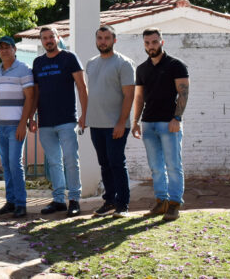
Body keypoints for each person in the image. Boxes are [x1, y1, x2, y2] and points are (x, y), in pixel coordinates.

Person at [132, 28, 189, 221]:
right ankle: (161, 201)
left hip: (169, 123)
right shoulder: (141, 69)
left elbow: (183, 94)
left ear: (162, 42)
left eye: (154, 42)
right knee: (156, 166)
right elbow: (139, 97)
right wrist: (135, 122)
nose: (151, 46)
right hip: (148, 124)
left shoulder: (176, 65)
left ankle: (174, 204)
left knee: (173, 165)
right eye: (147, 43)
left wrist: (177, 119)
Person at [31, 27, 88, 217]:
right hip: (45, 122)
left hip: (67, 120)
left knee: (71, 160)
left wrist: (84, 114)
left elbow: (81, 87)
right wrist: (32, 116)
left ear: (58, 38)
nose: (48, 41)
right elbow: (36, 93)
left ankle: (74, 199)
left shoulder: (69, 58)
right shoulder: (37, 62)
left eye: (51, 37)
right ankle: (58, 200)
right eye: (44, 38)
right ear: (41, 41)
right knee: (54, 162)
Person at [80, 25, 135, 218]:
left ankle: (123, 205)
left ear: (114, 40)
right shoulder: (91, 63)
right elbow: (91, 93)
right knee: (104, 164)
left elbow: (129, 95)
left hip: (116, 125)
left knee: (117, 163)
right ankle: (109, 201)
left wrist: (121, 122)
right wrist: (85, 116)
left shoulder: (124, 63)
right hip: (96, 124)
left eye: (107, 38)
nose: (103, 41)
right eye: (100, 38)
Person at [0, 36, 34, 219]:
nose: (4, 50)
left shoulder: (23, 69)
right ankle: (11, 201)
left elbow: (30, 98)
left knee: (16, 165)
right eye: (1, 48)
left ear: (14, 49)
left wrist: (23, 123)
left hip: (16, 126)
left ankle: (21, 204)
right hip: (0, 126)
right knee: (6, 165)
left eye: (7, 47)